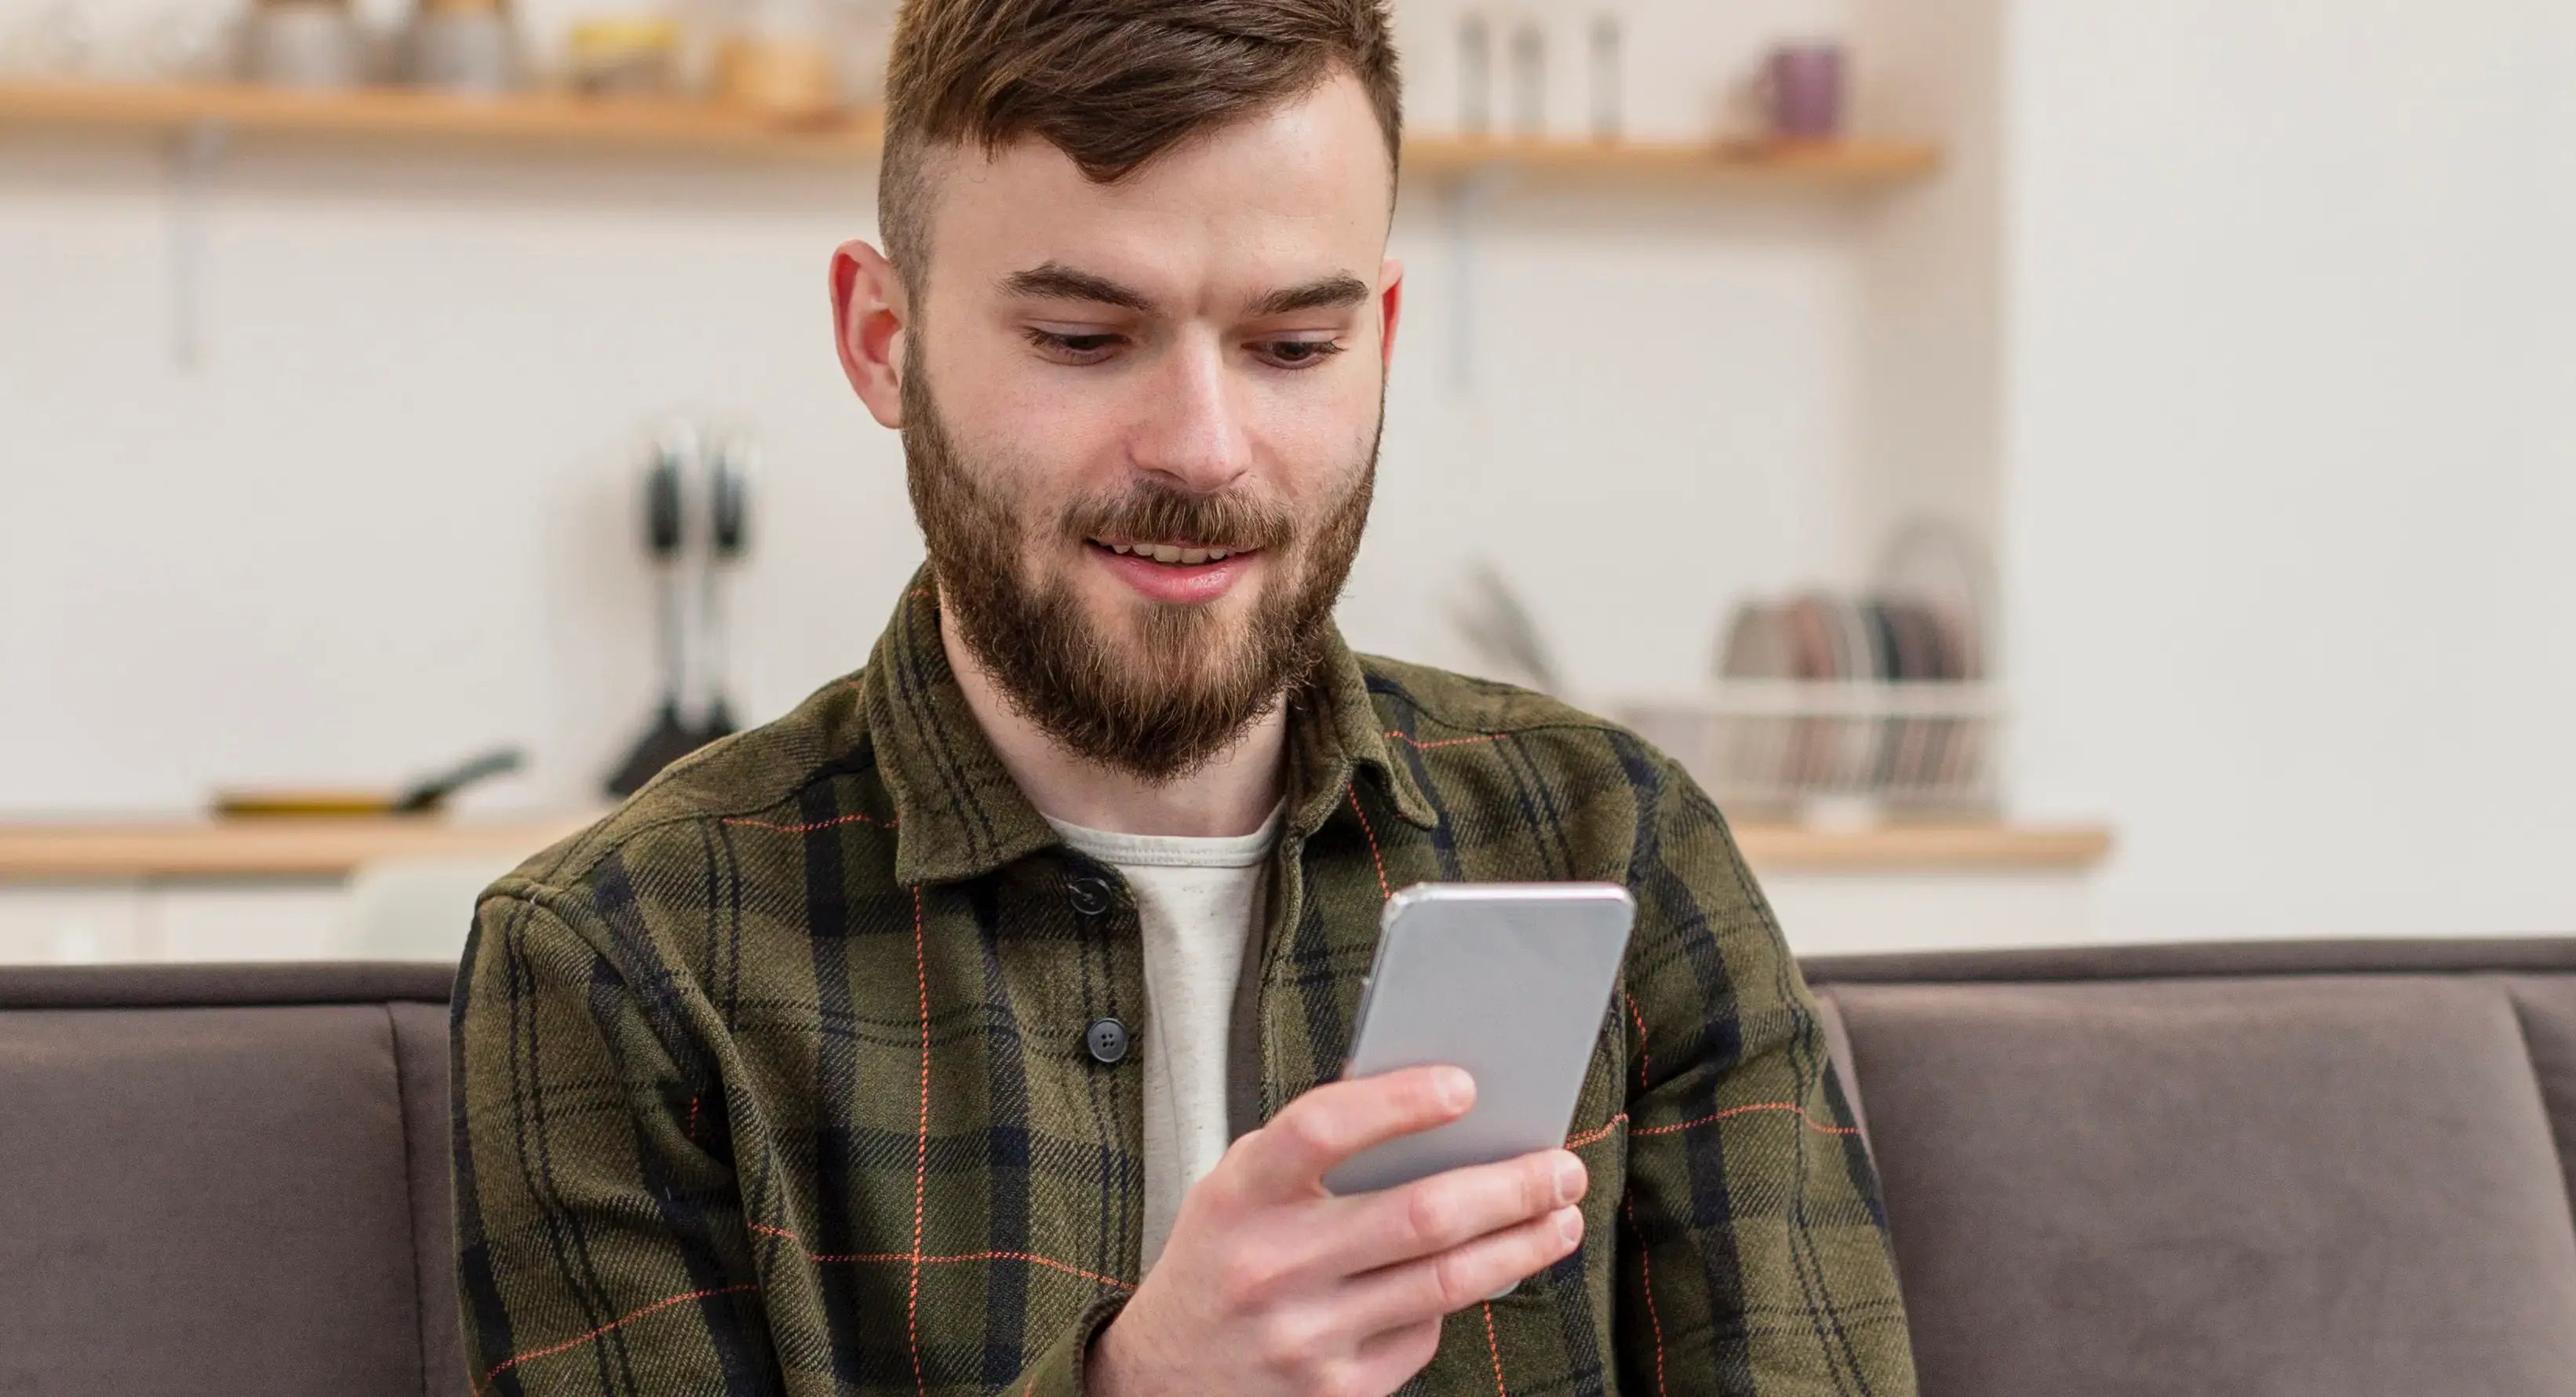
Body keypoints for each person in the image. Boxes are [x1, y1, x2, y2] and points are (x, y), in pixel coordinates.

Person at [449, 1, 1916, 1392]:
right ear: (882, 340)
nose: (1204, 448)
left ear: (1383, 340)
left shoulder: (1615, 843)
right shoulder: (622, 959)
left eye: (1294, 348)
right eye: (1084, 340)